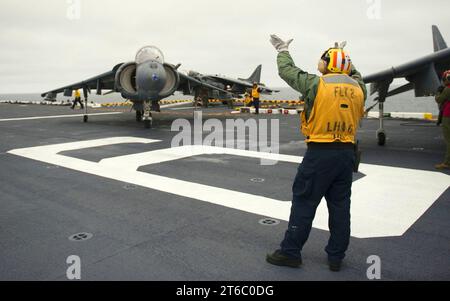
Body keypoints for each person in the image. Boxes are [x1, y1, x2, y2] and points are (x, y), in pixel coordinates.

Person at [267, 35, 367, 272]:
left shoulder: (316, 84)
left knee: (304, 202)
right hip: (346, 155)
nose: (319, 63)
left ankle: (290, 252)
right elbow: (355, 75)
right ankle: (336, 257)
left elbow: (288, 71)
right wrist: (344, 57)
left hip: (320, 154)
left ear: (328, 64)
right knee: (341, 206)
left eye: (323, 60)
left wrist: (282, 50)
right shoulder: (359, 87)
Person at [435, 70, 450, 170]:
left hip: (448, 115)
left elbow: (438, 99)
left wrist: (438, 92)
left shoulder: (447, 89)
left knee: (448, 140)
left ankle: (447, 163)